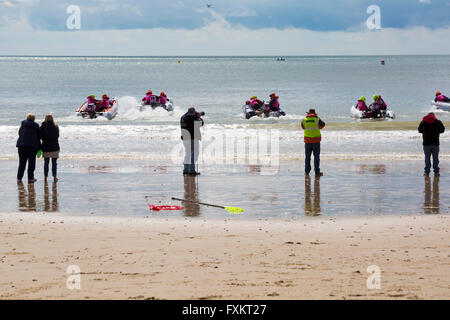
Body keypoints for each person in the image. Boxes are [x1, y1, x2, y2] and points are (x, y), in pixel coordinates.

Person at [418, 112, 445, 176]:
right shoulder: (438, 122)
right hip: (435, 143)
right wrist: (437, 132)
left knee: (427, 158)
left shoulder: (423, 122)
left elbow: (419, 130)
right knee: (435, 158)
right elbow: (442, 130)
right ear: (434, 116)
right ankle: (436, 172)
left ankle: (426, 172)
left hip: (426, 143)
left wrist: (425, 132)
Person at [16, 113, 41, 183]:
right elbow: (39, 135)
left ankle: (19, 178)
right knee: (31, 163)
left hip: (21, 146)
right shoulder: (35, 125)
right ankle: (30, 178)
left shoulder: (23, 124)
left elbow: (19, 133)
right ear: (33, 119)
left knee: (22, 163)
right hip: (32, 147)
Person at [301, 109, 325, 177]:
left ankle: (307, 172)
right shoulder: (317, 119)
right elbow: (322, 125)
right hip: (316, 140)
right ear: (315, 113)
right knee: (316, 156)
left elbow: (303, 127)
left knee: (307, 157)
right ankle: (317, 172)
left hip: (307, 141)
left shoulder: (304, 120)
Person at [180, 107, 204, 175]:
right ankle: (192, 170)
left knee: (187, 153)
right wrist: (199, 117)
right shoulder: (193, 117)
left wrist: (196, 116)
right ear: (193, 112)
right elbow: (201, 123)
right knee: (194, 154)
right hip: (192, 138)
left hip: (185, 138)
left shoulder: (183, 117)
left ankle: (185, 169)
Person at [40, 114, 60, 183]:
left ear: (45, 119)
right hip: (54, 147)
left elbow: (40, 137)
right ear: (52, 119)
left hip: (45, 147)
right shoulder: (56, 126)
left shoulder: (42, 127)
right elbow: (57, 136)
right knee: (54, 163)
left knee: (46, 163)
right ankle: (54, 177)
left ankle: (45, 177)